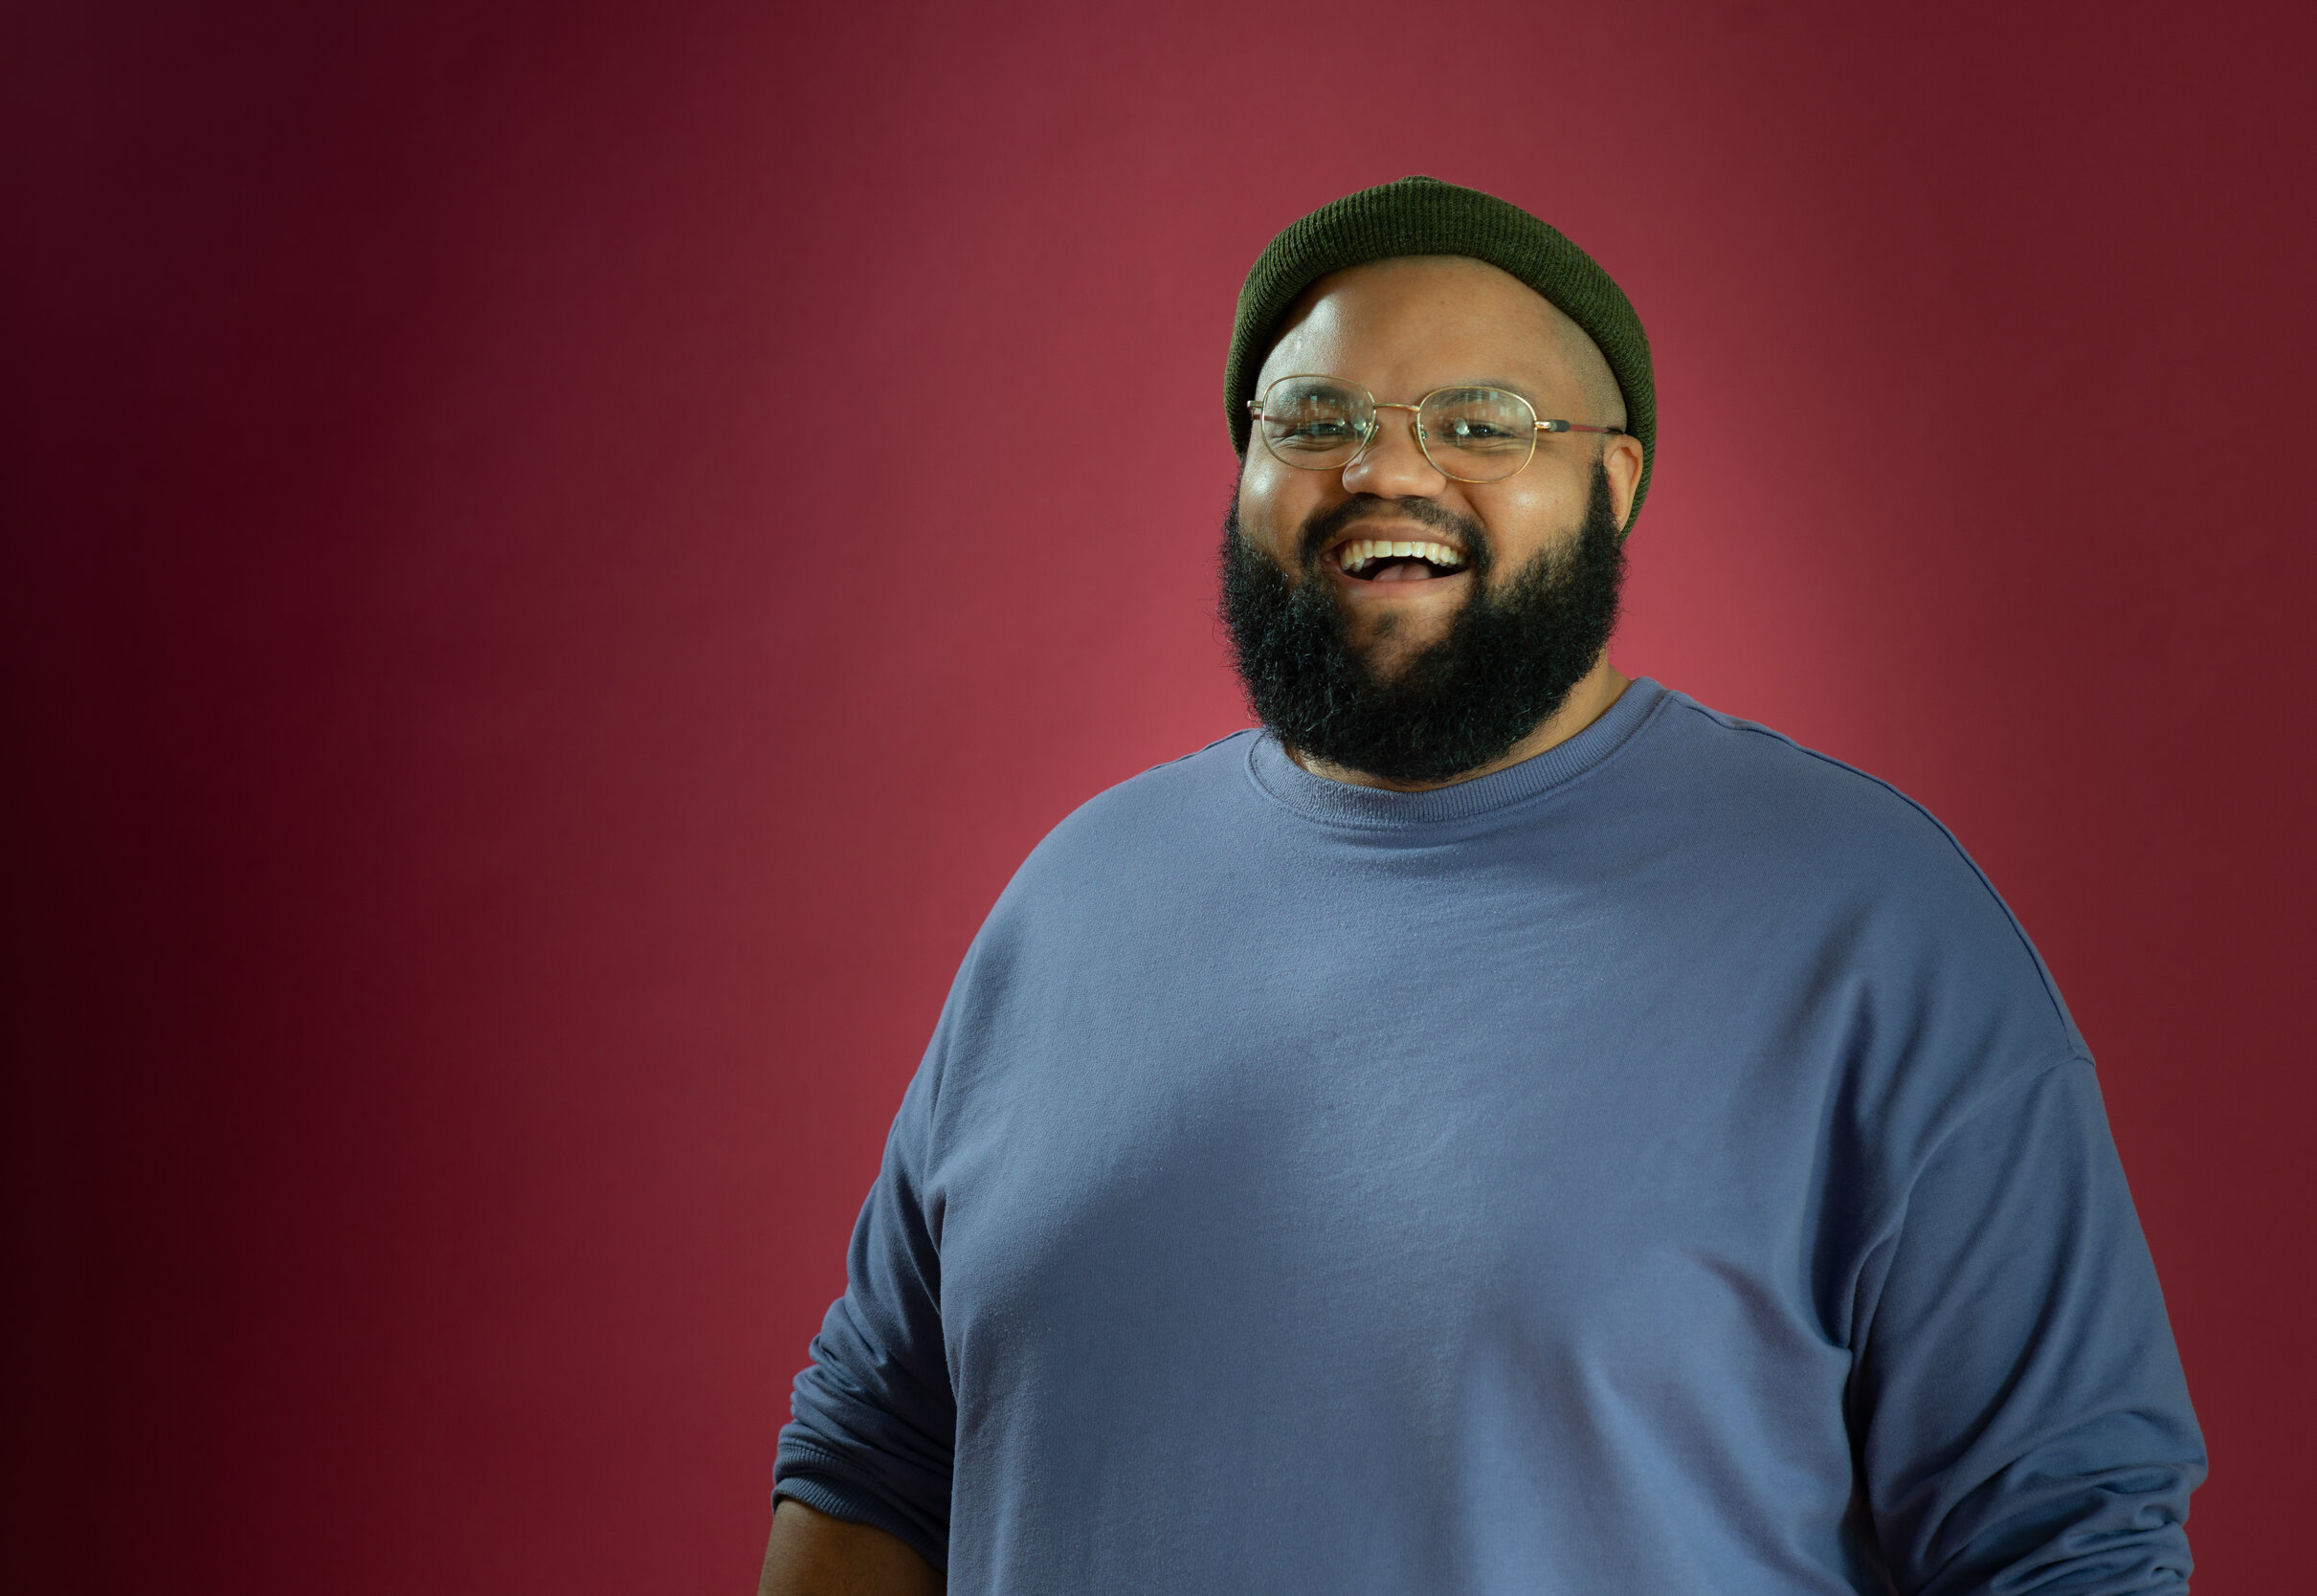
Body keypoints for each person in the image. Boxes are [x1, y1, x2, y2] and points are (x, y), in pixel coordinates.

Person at [756, 176, 2204, 1596]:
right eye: (1313, 420)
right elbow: (876, 1459)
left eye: (1480, 422)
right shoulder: (1069, 909)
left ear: (1612, 484)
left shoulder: (1874, 927)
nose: (1385, 472)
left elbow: (2066, 1540)